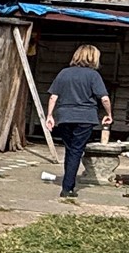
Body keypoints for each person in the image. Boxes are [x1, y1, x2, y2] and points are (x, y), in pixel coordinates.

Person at [44, 45, 113, 200]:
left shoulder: (64, 73)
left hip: (64, 116)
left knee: (70, 150)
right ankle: (67, 188)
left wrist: (49, 115)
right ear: (93, 57)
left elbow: (53, 97)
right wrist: (108, 114)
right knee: (76, 150)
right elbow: (104, 98)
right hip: (85, 117)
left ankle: (69, 183)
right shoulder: (93, 75)